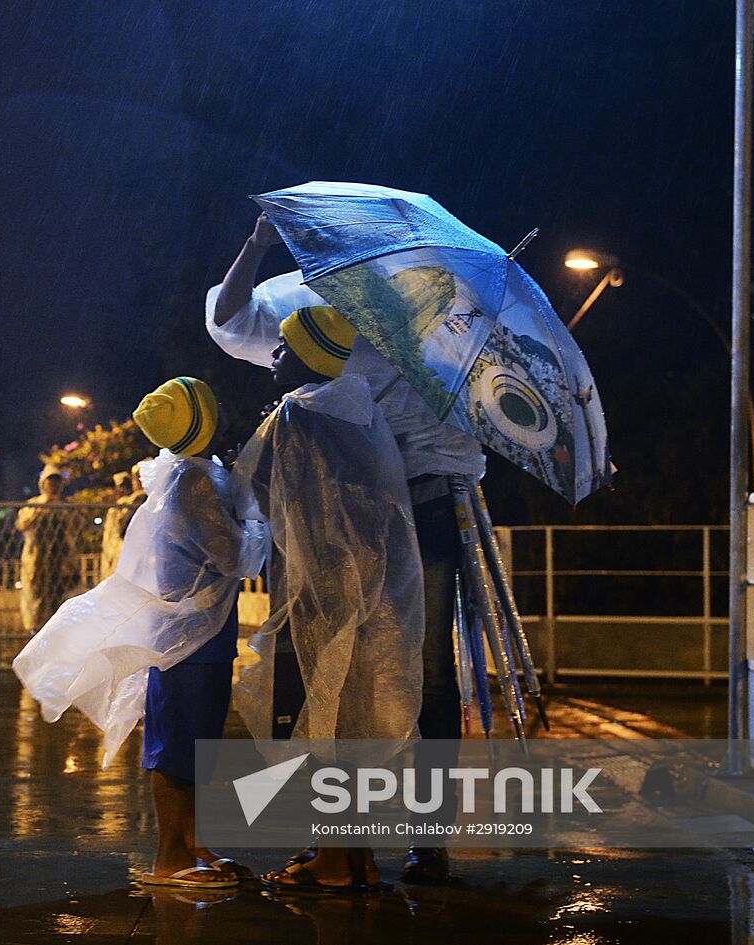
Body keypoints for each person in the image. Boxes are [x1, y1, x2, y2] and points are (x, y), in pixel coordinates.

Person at [210, 213, 482, 885]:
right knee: (328, 661)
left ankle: (425, 835)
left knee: (427, 670)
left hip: (424, 496)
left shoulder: (435, 301)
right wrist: (254, 245)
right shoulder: (302, 300)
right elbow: (226, 319)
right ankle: (337, 839)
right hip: (345, 509)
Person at [14, 377, 267, 889]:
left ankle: (194, 844)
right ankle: (170, 856)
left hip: (201, 631)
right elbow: (235, 556)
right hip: (185, 637)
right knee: (177, 741)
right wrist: (259, 520)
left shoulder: (196, 475)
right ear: (205, 422)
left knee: (197, 740)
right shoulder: (191, 483)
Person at [226, 301, 425, 894]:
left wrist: (264, 428)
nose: (274, 360)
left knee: (323, 726)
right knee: (355, 727)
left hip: (320, 596)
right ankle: (358, 858)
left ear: (307, 357)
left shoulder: (296, 414)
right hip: (375, 597)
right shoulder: (363, 412)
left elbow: (250, 491)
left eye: (284, 349)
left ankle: (334, 863)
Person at [14, 466, 73, 634]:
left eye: (56, 480)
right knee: (36, 596)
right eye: (50, 480)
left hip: (59, 560)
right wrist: (42, 507)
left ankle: (57, 631)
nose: (53, 484)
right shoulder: (33, 505)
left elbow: (74, 530)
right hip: (37, 559)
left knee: (59, 596)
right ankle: (35, 630)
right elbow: (22, 524)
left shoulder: (64, 507)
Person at [99, 466, 146, 578]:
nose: (123, 489)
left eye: (125, 486)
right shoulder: (116, 508)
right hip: (113, 550)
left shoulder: (135, 501)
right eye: (120, 486)